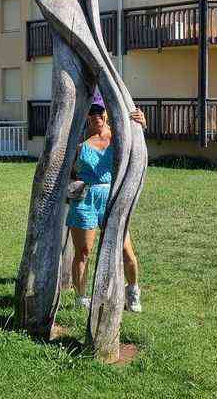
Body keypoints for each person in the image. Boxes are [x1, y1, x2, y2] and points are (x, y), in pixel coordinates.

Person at [67, 103, 146, 313]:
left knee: (125, 249)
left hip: (113, 198)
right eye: (91, 112)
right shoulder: (79, 140)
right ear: (87, 116)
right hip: (85, 199)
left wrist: (142, 124)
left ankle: (133, 292)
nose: (96, 115)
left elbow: (138, 146)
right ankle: (81, 298)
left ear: (107, 114)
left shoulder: (121, 135)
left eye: (99, 111)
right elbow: (69, 170)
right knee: (83, 252)